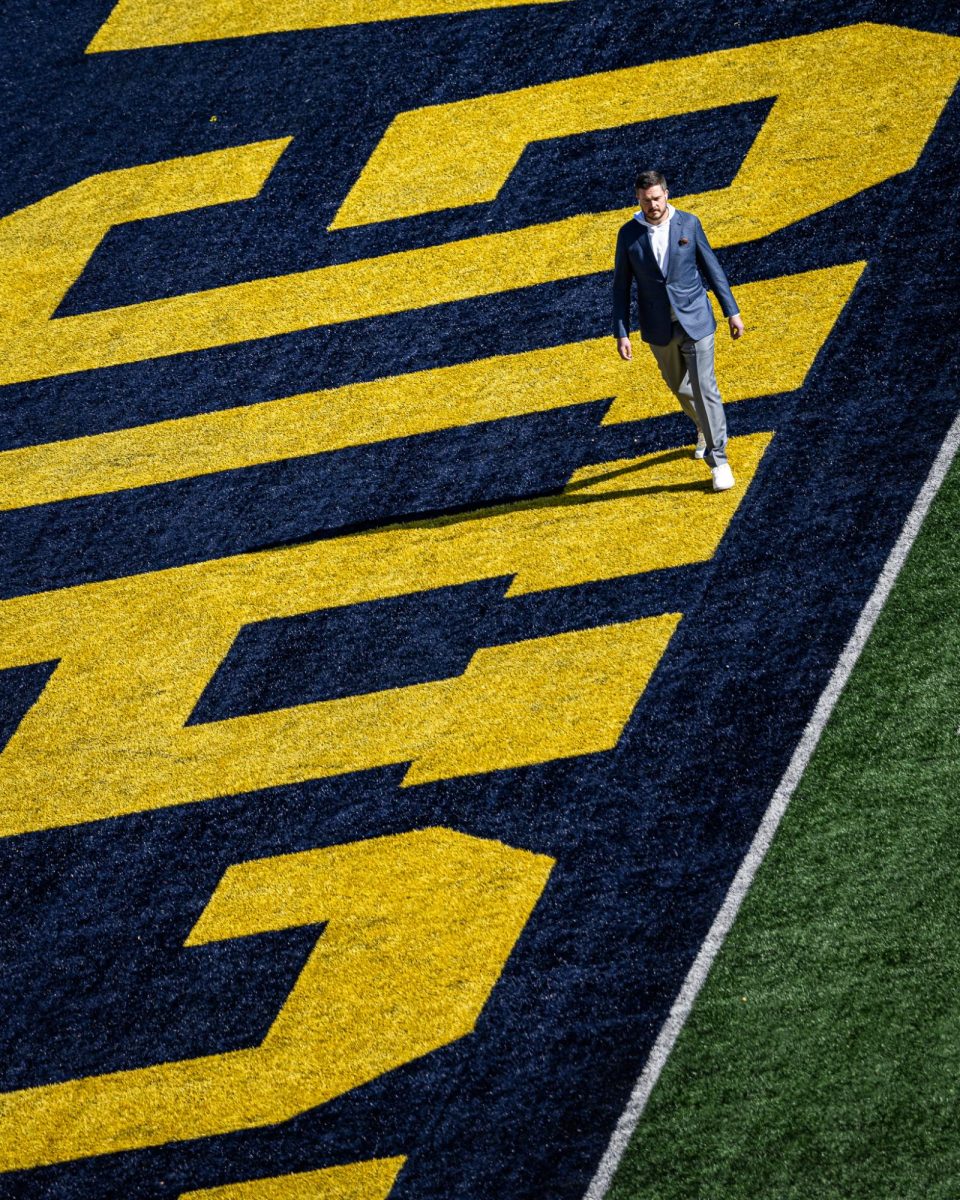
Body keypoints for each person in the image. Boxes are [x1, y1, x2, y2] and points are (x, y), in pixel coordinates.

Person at [612, 170, 744, 491]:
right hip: (658, 328)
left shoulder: (689, 223)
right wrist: (621, 331)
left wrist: (732, 311)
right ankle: (703, 426)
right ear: (638, 200)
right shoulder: (628, 235)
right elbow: (620, 286)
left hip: (697, 320)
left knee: (705, 387)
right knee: (681, 388)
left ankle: (719, 460)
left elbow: (712, 268)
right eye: (646, 200)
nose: (652, 205)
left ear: (667, 195)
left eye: (657, 198)